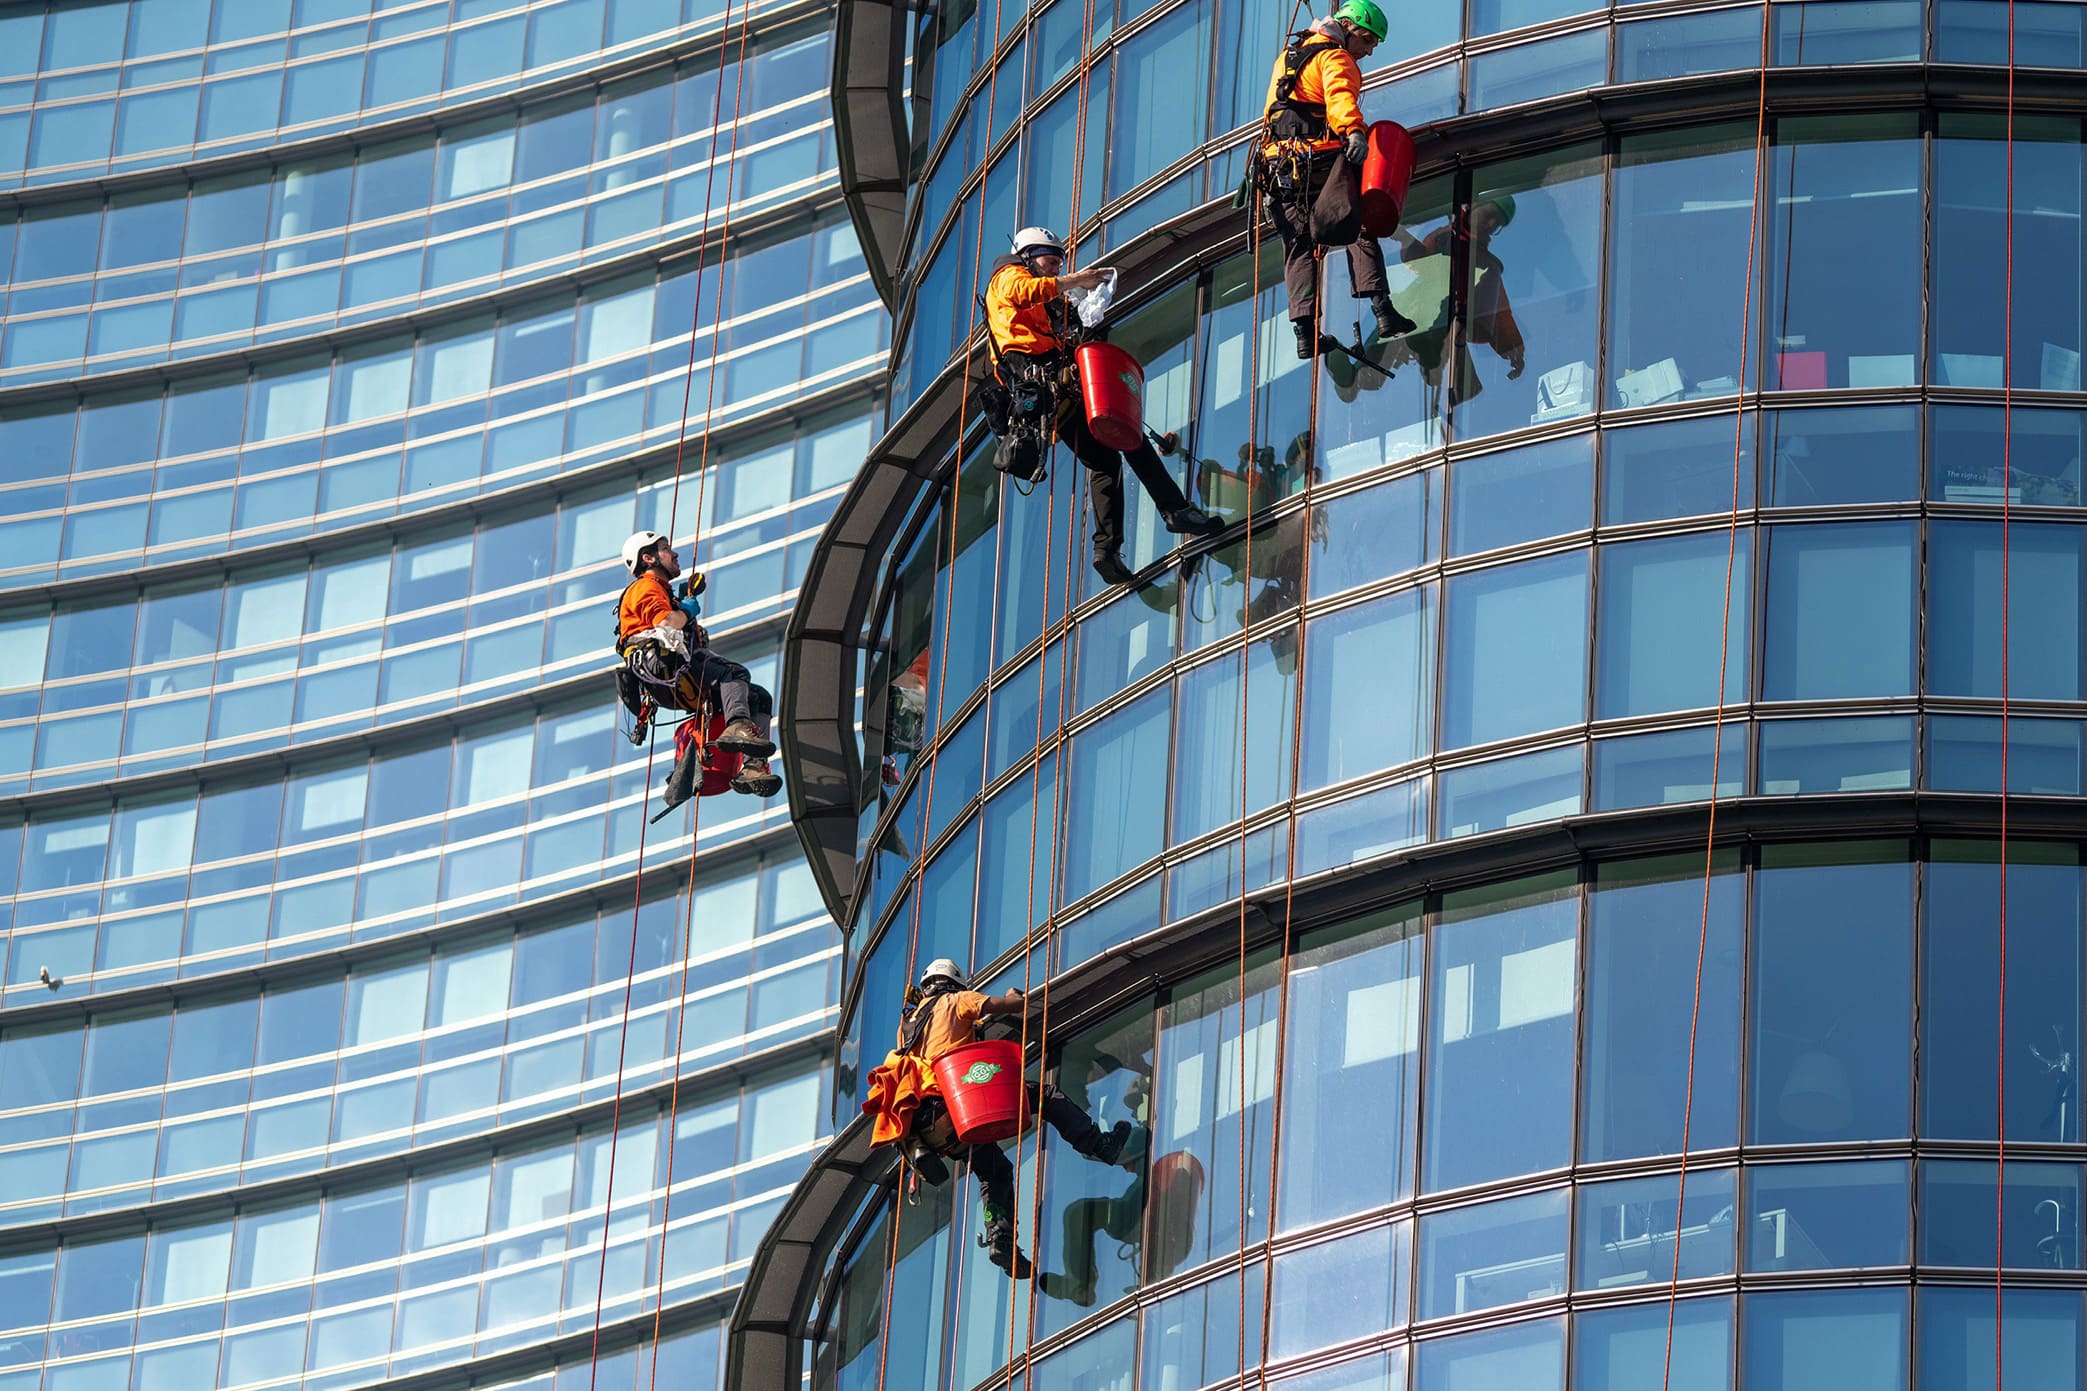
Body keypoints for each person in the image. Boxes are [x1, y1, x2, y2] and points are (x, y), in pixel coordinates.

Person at [984, 226, 1223, 587]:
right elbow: (1026, 291)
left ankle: (1107, 552)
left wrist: (1083, 306)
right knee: (1129, 441)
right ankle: (1174, 511)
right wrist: (1075, 280)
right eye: (1050, 261)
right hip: (1045, 382)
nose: (1055, 268)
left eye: (1058, 264)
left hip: (1053, 392)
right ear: (1028, 256)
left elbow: (1057, 316)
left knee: (1106, 461)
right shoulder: (1007, 276)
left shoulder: (1038, 304)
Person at [878, 958, 1134, 1278]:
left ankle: (1000, 1237)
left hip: (928, 1124)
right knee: (1047, 1097)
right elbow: (1002, 1005)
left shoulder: (907, 1027)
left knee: (995, 1170)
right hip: (954, 1101)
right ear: (954, 984)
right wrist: (1014, 999)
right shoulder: (956, 1000)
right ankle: (1100, 1144)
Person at [1260, 0, 1414, 361]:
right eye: (1367, 40)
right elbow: (1341, 98)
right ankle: (1382, 309)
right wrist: (1355, 133)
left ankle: (1304, 334)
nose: (1368, 51)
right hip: (1320, 158)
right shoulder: (1335, 58)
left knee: (1298, 244)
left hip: (1281, 169)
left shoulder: (1288, 57)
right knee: (1358, 223)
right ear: (1348, 28)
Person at [614, 529, 780, 798]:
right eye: (666, 548)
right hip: (664, 666)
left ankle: (753, 766)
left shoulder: (664, 593)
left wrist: (691, 626)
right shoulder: (646, 587)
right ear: (648, 558)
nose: (674, 553)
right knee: (733, 673)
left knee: (758, 697)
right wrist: (686, 611)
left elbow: (677, 630)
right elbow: (666, 623)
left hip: (671, 673)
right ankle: (737, 725)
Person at [1389, 193, 1526, 398]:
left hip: (1447, 324)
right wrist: (1405, 239)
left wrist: (1513, 348)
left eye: (1496, 223)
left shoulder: (1486, 263)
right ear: (1472, 207)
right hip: (1429, 316)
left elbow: (1500, 310)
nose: (1490, 224)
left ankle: (1455, 393)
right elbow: (1422, 263)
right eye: (1489, 215)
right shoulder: (1444, 239)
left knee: (1463, 385)